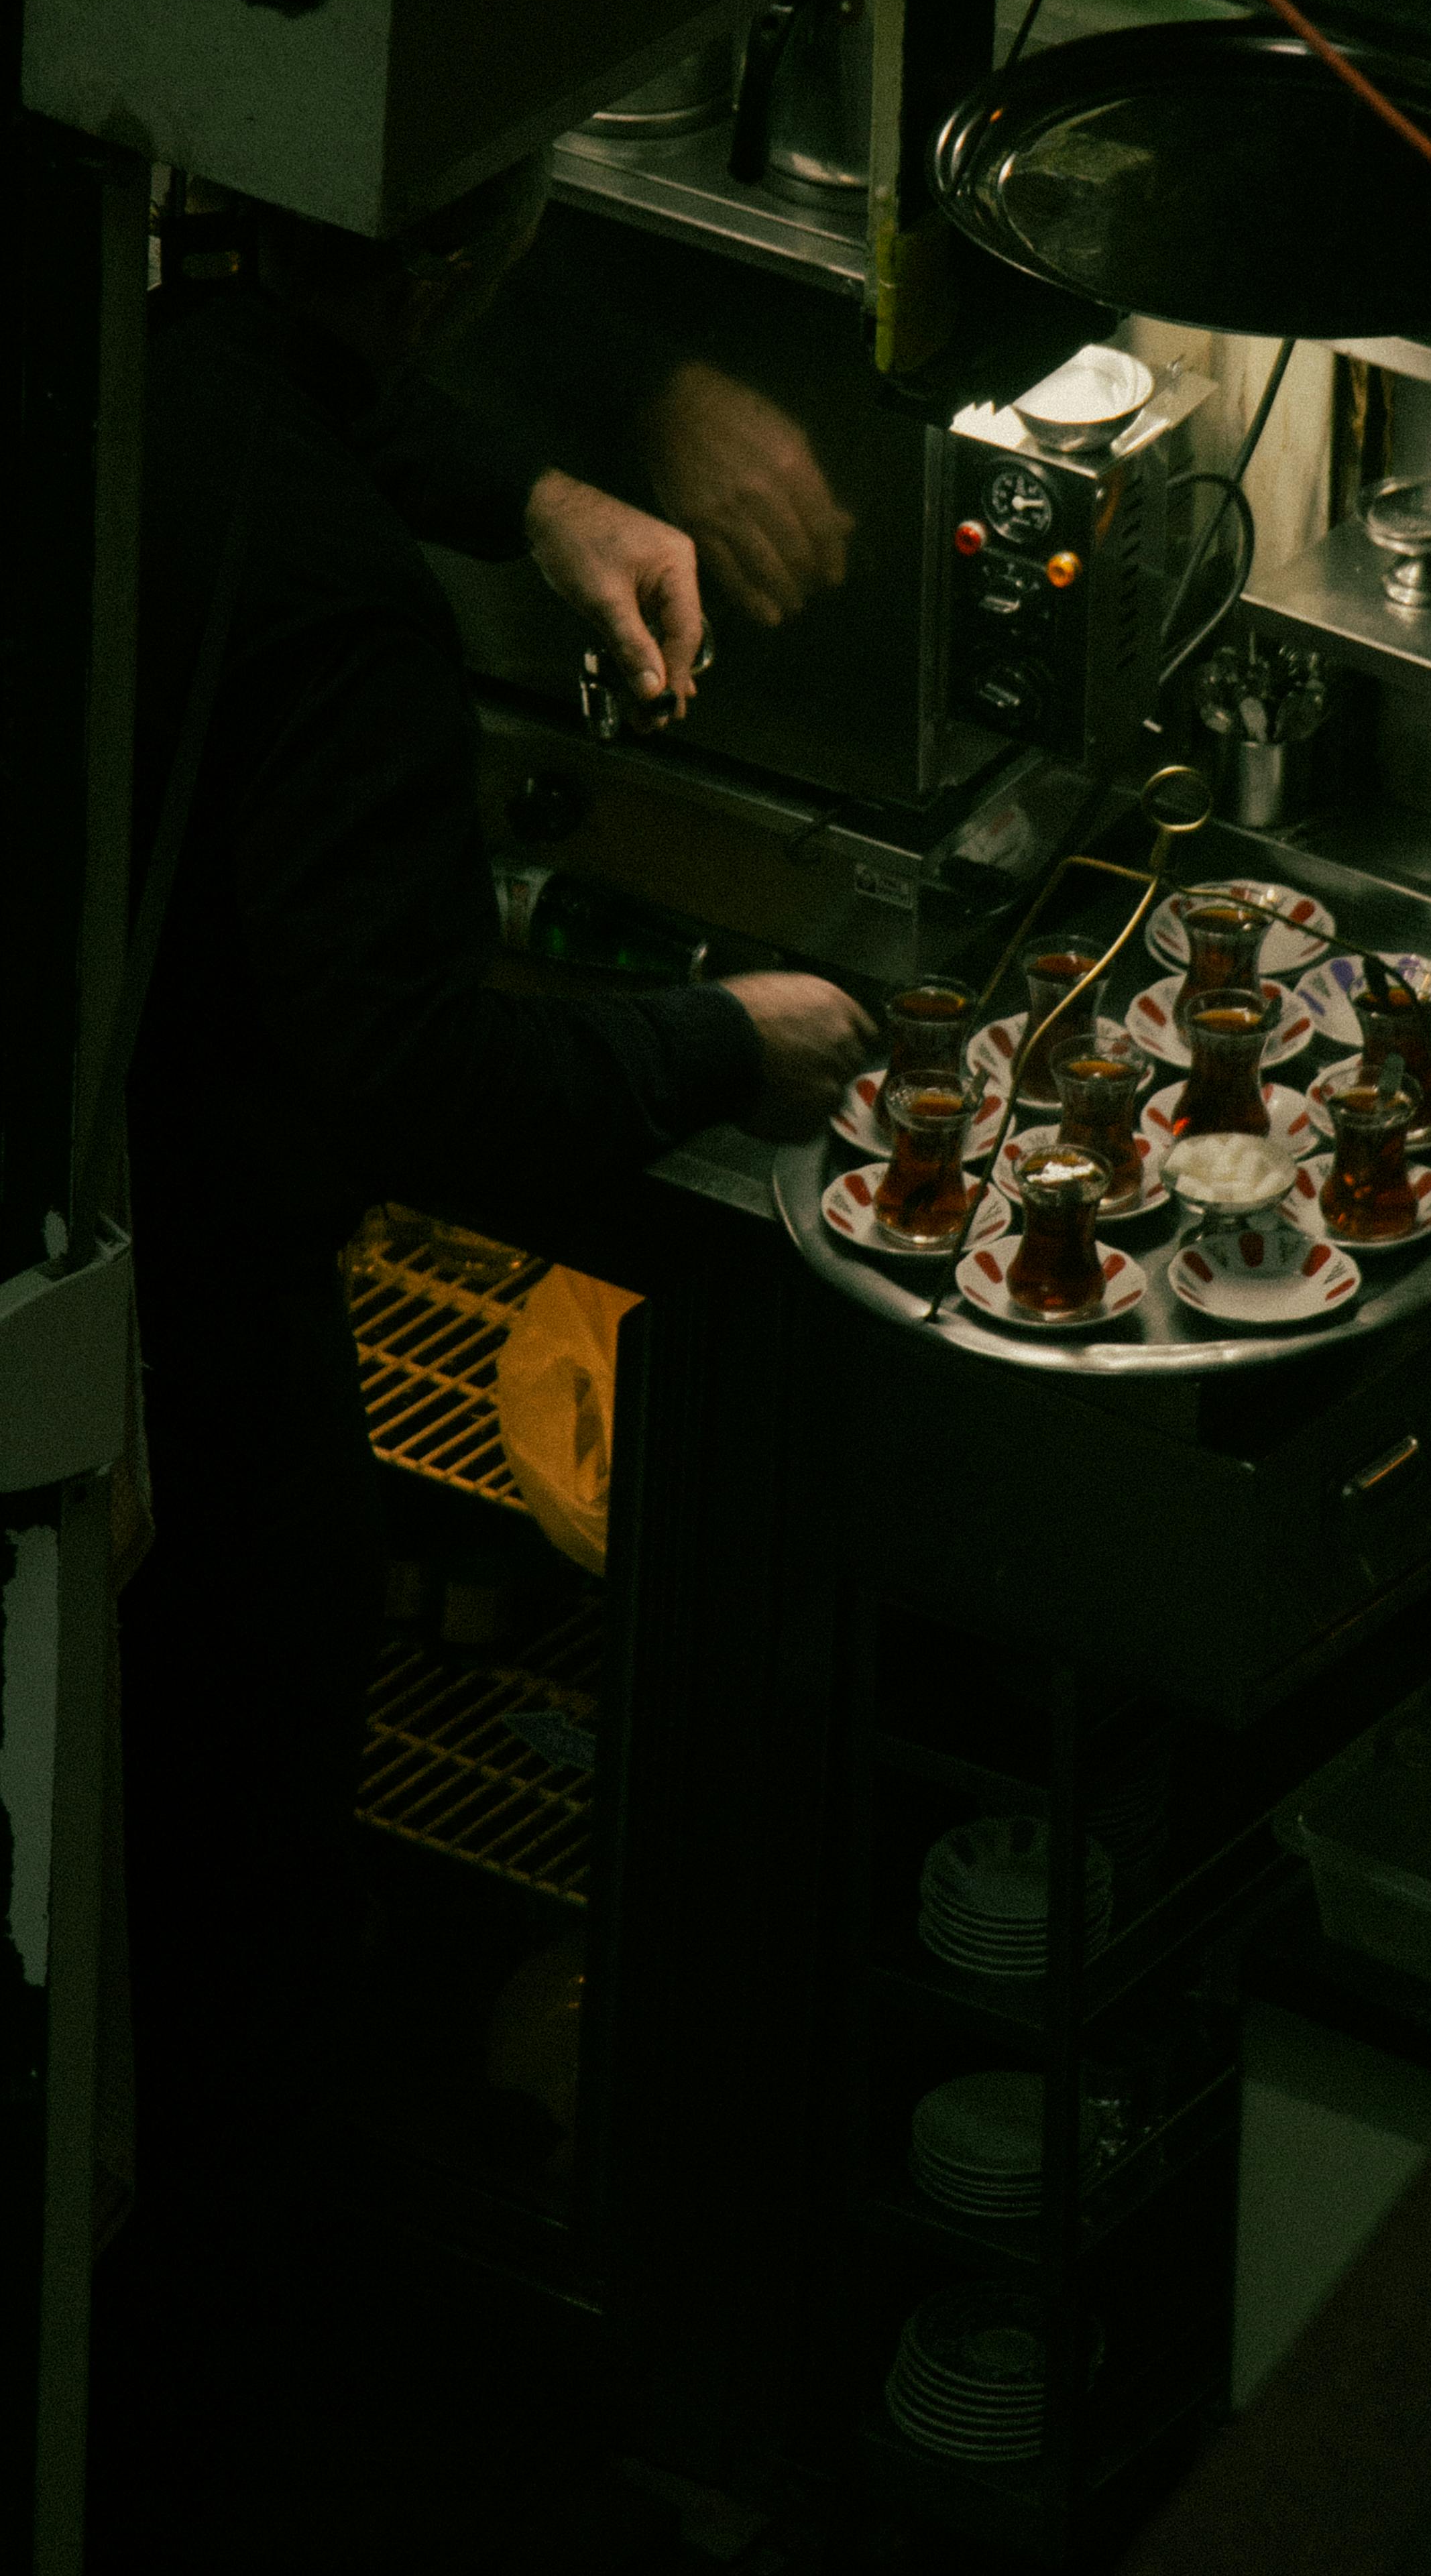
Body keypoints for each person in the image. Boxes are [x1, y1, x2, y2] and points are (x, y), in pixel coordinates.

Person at [99, 156, 872, 2539]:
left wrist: (538, 494)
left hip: (114, 1203)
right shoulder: (334, 611)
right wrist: (720, 1036)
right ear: (450, 260)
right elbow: (417, 1073)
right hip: (185, 1320)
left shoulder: (127, 325)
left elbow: (290, 394)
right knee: (224, 1900)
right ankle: (191, 2426)